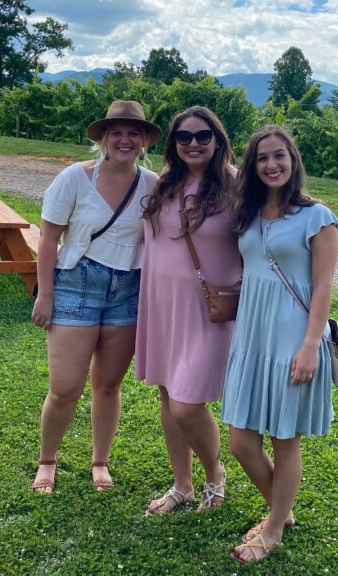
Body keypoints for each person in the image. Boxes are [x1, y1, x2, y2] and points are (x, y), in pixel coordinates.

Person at [220, 124, 338, 563]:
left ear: (293, 161)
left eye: (280, 156)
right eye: (262, 158)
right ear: (252, 167)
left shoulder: (317, 217)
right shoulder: (247, 213)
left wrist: (311, 345)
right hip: (251, 337)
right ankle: (281, 509)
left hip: (293, 338)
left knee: (284, 439)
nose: (272, 165)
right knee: (241, 442)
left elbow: (323, 287)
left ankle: (273, 529)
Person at [30, 100, 162, 494]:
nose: (125, 139)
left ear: (143, 142)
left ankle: (100, 461)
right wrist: (46, 296)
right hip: (76, 284)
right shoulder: (75, 178)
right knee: (65, 387)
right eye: (116, 132)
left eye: (133, 133)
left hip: (128, 290)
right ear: (103, 138)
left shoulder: (152, 185)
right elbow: (49, 238)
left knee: (108, 384)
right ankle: (47, 461)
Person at [135, 106, 241, 515]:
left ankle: (215, 474)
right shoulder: (165, 183)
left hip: (208, 308)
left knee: (186, 403)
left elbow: (269, 227)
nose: (193, 144)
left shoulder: (236, 185)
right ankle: (182, 484)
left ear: (217, 140)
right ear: (173, 144)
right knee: (167, 394)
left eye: (202, 136)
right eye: (184, 137)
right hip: (160, 304)